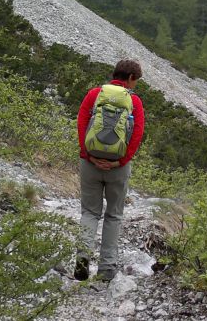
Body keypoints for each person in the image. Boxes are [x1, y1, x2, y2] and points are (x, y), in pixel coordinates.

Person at [73, 59, 145, 282]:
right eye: (136, 81)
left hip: (90, 164)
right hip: (117, 168)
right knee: (114, 215)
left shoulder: (95, 94)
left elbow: (82, 123)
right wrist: (120, 162)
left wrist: (89, 155)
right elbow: (137, 135)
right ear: (131, 78)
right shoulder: (133, 101)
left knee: (89, 213)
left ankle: (82, 261)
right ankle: (106, 269)